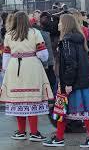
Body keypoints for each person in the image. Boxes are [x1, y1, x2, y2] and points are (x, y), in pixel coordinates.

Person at [43, 14, 89, 148]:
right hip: (81, 81)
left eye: (60, 23)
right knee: (70, 111)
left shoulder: (67, 41)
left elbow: (71, 64)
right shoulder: (79, 39)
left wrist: (68, 83)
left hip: (72, 82)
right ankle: (62, 137)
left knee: (62, 110)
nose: (58, 25)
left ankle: (63, 138)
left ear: (66, 25)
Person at [0, 11, 53, 142]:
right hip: (32, 67)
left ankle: (21, 132)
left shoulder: (9, 34)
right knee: (32, 98)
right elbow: (43, 55)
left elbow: (6, 56)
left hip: (14, 67)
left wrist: (6, 70)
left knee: (18, 99)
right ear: (27, 21)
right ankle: (34, 132)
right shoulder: (35, 33)